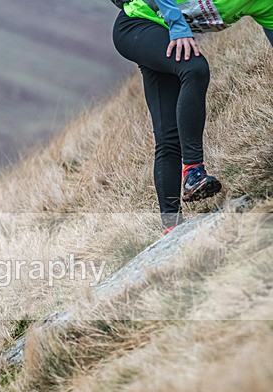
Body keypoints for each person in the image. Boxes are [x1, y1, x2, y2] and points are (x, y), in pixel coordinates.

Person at [112, 0, 273, 234]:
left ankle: (171, 228)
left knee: (168, 135)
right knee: (195, 67)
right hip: (137, 25)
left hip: (160, 30)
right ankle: (193, 172)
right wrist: (178, 27)